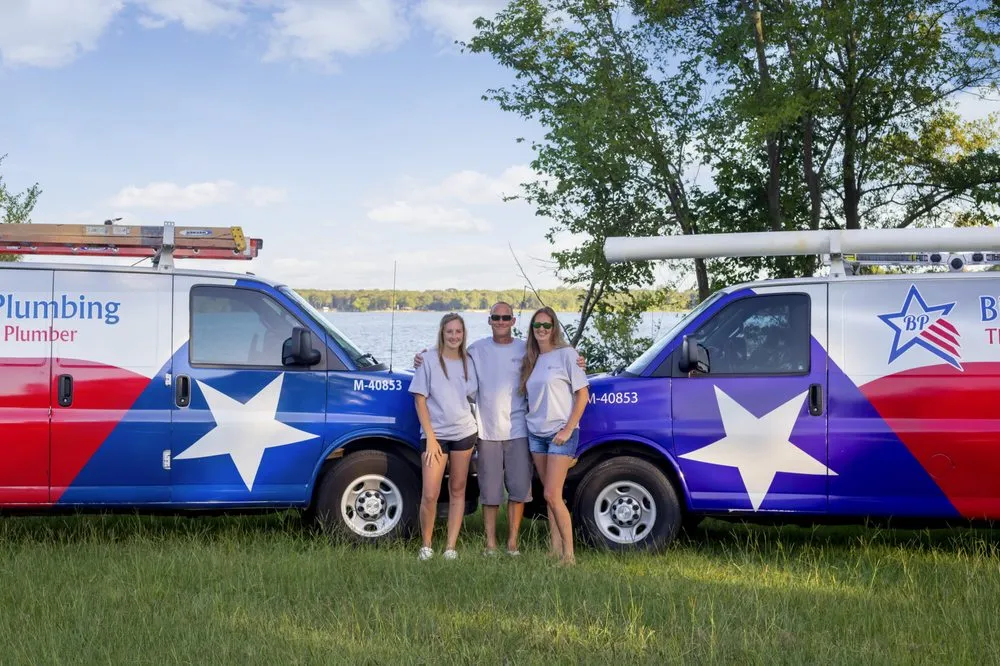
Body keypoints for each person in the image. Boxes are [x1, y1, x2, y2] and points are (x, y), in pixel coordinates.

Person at [414, 302, 585, 557]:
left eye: (506, 317)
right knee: (490, 492)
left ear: (514, 321)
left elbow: (558, 362)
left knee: (518, 490)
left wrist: (578, 360)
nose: (501, 321)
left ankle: (513, 545)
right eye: (496, 317)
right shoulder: (476, 350)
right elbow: (450, 354)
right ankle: (490, 545)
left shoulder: (527, 350)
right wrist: (422, 356)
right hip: (486, 431)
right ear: (489, 320)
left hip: (520, 430)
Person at [519, 306, 589, 566]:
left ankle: (569, 555)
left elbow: (583, 394)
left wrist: (568, 428)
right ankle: (554, 548)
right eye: (537, 326)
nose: (541, 330)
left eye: (546, 325)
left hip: (561, 434)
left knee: (551, 494)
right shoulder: (531, 358)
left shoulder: (567, 355)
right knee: (550, 494)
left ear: (554, 328)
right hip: (536, 434)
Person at [408, 313, 479, 561]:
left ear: (463, 333)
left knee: (458, 489)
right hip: (434, 436)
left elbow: (476, 394)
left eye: (458, 331)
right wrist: (431, 438)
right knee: (430, 492)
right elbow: (419, 399)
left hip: (464, 432)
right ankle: (426, 545)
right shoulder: (427, 359)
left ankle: (450, 547)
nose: (454, 336)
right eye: (449, 331)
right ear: (442, 332)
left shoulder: (469, 361)